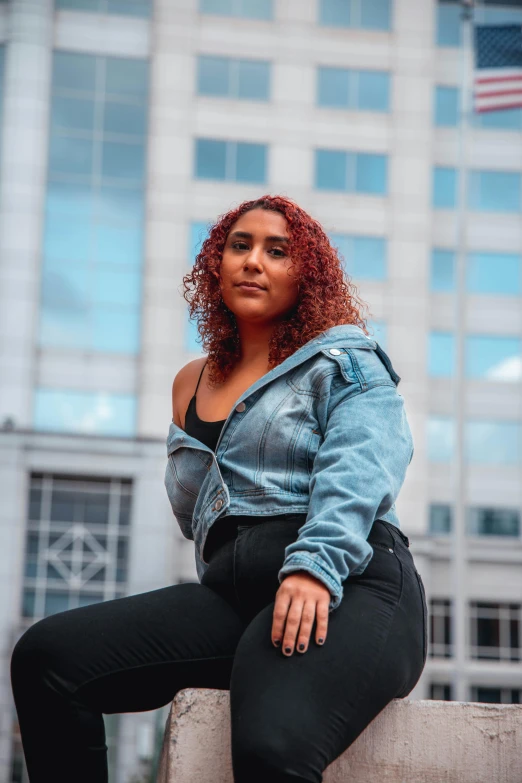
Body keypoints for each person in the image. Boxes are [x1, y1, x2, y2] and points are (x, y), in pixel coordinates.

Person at [11, 195, 427, 783]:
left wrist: (314, 565)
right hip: (234, 591)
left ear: (306, 275)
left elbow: (362, 466)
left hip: (346, 581)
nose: (253, 261)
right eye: (240, 245)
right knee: (49, 659)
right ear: (216, 263)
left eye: (277, 251)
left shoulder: (342, 360)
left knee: (269, 748)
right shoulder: (191, 381)